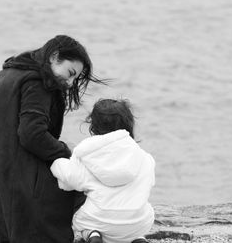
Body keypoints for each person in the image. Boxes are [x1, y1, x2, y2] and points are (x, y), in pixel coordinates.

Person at [0, 35, 103, 243]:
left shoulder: (1, 76)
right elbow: (32, 134)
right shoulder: (38, 82)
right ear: (54, 57)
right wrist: (67, 152)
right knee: (82, 184)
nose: (69, 83)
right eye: (69, 74)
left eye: (74, 79)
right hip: (9, 185)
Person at [50, 99, 155, 243]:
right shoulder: (144, 157)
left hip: (99, 220)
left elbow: (69, 179)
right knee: (136, 223)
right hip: (136, 222)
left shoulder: (87, 153)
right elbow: (148, 184)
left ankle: (93, 235)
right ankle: (138, 239)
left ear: (92, 126)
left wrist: (57, 162)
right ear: (129, 124)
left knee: (81, 220)